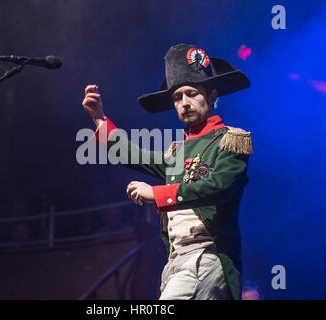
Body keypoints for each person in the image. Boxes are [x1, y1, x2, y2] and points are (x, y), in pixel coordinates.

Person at [81, 44, 253, 300]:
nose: (184, 103)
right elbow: (133, 155)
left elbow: (219, 187)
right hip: (176, 261)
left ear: (212, 96)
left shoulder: (230, 140)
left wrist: (157, 194)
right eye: (177, 97)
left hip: (206, 257)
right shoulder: (177, 153)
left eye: (192, 94)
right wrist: (99, 120)